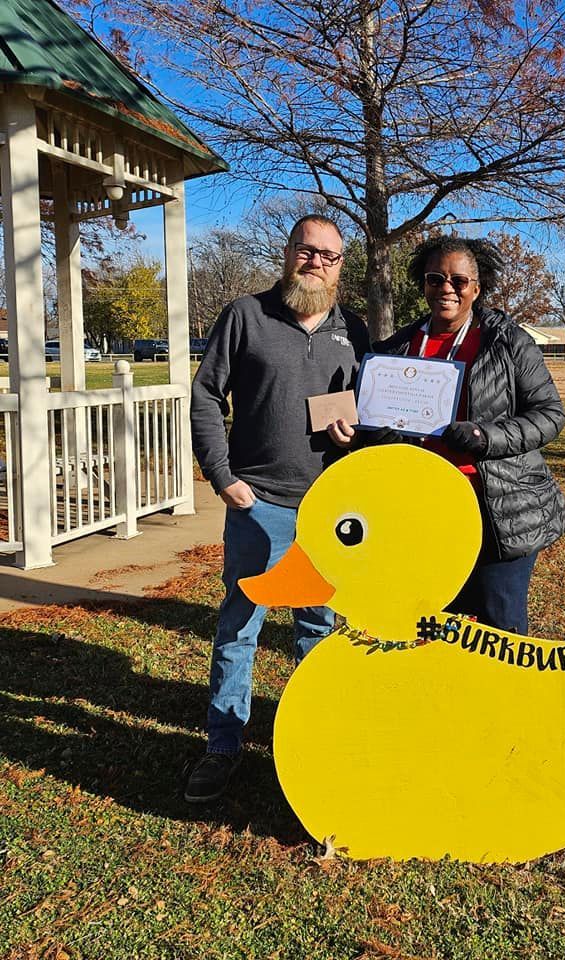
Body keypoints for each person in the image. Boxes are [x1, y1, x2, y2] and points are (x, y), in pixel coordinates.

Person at [187, 214, 370, 803]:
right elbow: (206, 397)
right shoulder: (245, 315)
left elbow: (367, 410)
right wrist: (223, 479)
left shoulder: (354, 330)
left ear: (340, 267)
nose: (316, 262)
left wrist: (355, 435)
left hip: (327, 510)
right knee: (240, 625)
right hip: (258, 503)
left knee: (318, 627)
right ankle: (222, 744)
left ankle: (317, 734)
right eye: (306, 250)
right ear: (288, 252)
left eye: (329, 255)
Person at [329, 235, 565, 635]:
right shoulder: (396, 348)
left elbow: (550, 415)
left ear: (477, 287)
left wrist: (486, 436)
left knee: (500, 625)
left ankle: (501, 698)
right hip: (422, 507)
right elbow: (375, 424)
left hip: (498, 506)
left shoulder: (508, 343)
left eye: (459, 280)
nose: (447, 288)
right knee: (435, 621)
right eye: (435, 278)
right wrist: (366, 434)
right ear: (423, 285)